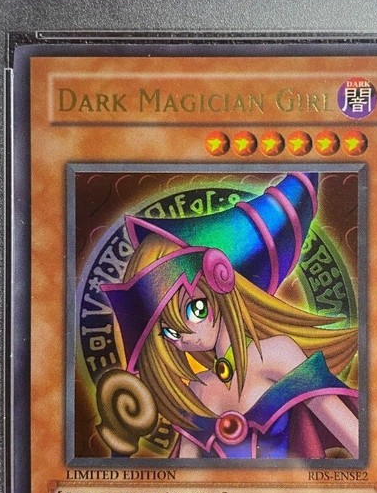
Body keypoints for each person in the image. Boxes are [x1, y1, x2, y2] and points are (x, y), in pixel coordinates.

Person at [96, 173, 359, 459]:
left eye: (194, 310)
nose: (183, 337)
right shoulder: (199, 388)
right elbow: (184, 478)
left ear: (221, 288)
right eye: (169, 331)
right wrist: (119, 451)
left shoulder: (276, 354)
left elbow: (353, 436)